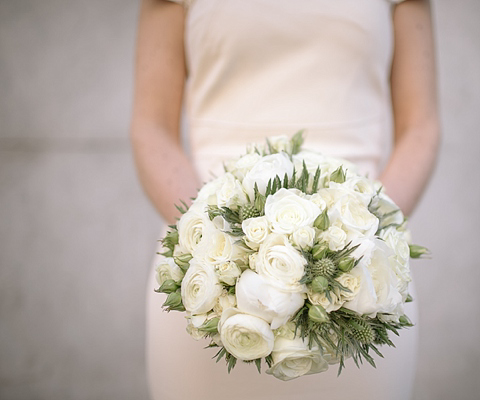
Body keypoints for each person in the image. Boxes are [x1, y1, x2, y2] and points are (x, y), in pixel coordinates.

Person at [130, 0, 439, 399]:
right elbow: (151, 127)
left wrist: (362, 238)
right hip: (211, 258)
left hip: (356, 273)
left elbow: (421, 128)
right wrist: (212, 245)